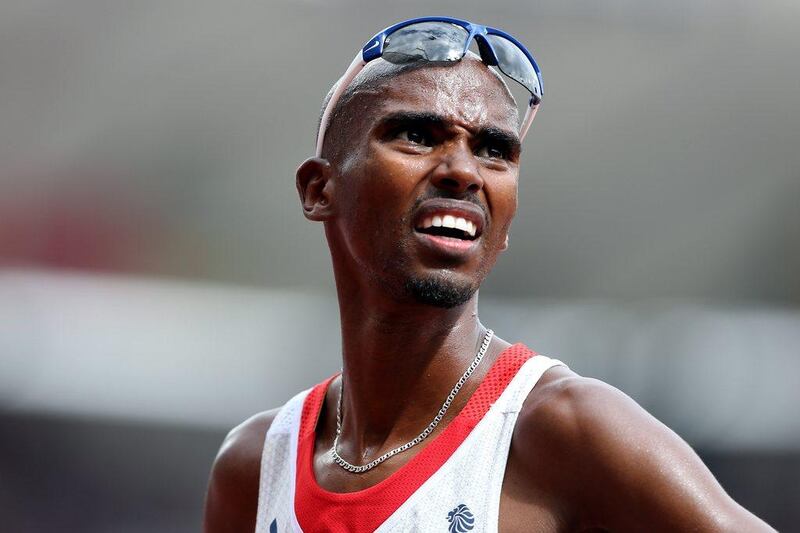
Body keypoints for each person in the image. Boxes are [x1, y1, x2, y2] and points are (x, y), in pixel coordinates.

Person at [204, 17, 774, 532]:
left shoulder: (566, 431)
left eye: (495, 150)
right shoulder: (255, 468)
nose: (463, 171)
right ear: (318, 189)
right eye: (418, 136)